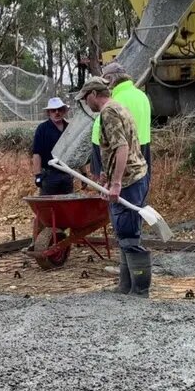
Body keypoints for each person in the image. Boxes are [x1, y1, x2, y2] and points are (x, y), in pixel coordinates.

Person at [79, 77, 151, 297]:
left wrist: (117, 183)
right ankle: (126, 286)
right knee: (124, 234)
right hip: (135, 176)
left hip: (129, 181)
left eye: (85, 98)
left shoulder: (108, 113)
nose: (85, 103)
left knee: (128, 234)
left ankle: (140, 290)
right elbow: (116, 148)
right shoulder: (120, 107)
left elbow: (121, 148)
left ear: (93, 94)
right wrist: (105, 176)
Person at [90, 62, 151, 184]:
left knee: (118, 194)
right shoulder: (142, 95)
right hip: (142, 148)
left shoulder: (114, 100)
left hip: (119, 153)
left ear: (109, 79)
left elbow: (99, 129)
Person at [30, 96, 73, 240]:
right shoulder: (42, 129)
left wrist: (83, 172)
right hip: (49, 175)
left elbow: (75, 153)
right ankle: (39, 241)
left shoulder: (69, 128)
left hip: (67, 174)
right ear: (48, 113)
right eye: (53, 110)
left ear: (64, 111)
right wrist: (37, 175)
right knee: (46, 211)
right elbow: (37, 153)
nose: (56, 113)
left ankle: (61, 239)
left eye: (59, 110)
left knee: (67, 209)